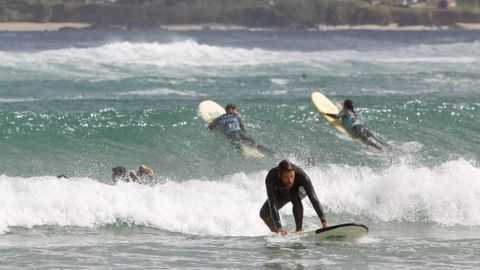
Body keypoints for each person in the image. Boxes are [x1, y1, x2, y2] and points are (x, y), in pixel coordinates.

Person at [259, 160, 328, 236]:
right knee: (264, 213)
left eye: (292, 176)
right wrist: (279, 227)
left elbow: (313, 198)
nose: (290, 180)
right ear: (279, 175)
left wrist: (324, 222)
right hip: (283, 192)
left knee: (295, 196)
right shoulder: (271, 177)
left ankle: (299, 229)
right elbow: (272, 202)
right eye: (286, 177)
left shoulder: (302, 176)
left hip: (300, 191)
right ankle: (279, 232)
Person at [208, 103, 272, 154]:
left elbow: (211, 127)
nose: (238, 112)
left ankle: (243, 151)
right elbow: (243, 128)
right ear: (230, 109)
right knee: (254, 143)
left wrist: (212, 123)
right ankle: (269, 151)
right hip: (239, 132)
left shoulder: (220, 118)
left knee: (238, 146)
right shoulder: (236, 116)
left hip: (230, 135)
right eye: (237, 110)